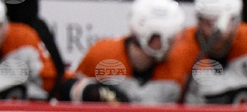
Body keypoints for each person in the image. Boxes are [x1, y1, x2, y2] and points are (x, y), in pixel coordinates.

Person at [59, 0, 189, 104]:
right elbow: (66, 90)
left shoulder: (180, 61)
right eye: (171, 39)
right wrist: (91, 91)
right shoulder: (102, 55)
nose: (175, 43)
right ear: (153, 39)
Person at [173, 0, 247, 104]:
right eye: (208, 23)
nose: (216, 33)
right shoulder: (182, 49)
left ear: (237, 21)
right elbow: (167, 101)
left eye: (223, 22)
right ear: (198, 20)